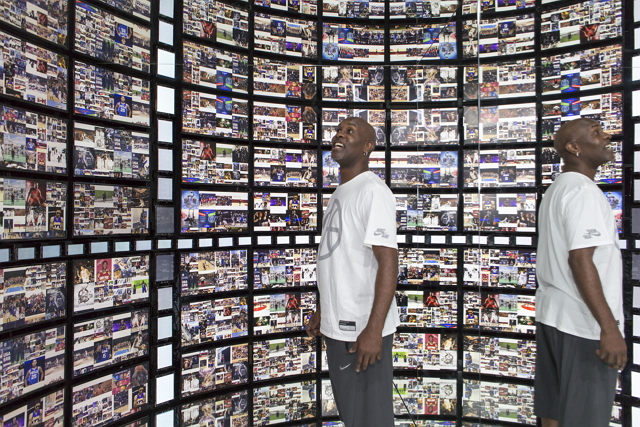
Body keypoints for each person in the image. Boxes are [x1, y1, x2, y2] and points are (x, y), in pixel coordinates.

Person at [306, 117, 399, 427]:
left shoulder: (373, 190)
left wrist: (374, 329)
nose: (339, 135)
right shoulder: (340, 193)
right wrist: (324, 308)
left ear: (367, 147)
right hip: (339, 325)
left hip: (361, 332)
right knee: (353, 416)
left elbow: (388, 262)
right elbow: (337, 257)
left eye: (350, 131)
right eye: (338, 129)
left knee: (370, 419)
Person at [535, 118, 626, 427]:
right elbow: (581, 260)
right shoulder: (583, 192)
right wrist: (609, 327)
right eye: (597, 133)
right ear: (574, 148)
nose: (607, 136)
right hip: (584, 328)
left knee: (555, 413)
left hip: (554, 319)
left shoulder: (557, 189)